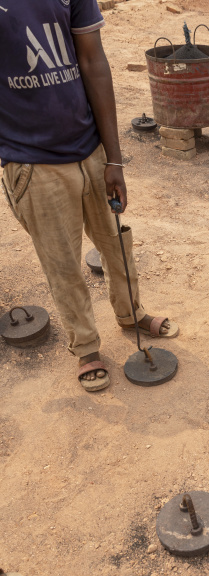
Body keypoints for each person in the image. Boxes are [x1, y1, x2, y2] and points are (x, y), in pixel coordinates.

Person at [0, 0, 178, 392]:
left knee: (116, 243)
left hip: (91, 149)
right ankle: (86, 348)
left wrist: (114, 159)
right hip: (33, 164)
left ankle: (131, 315)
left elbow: (93, 62)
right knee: (61, 262)